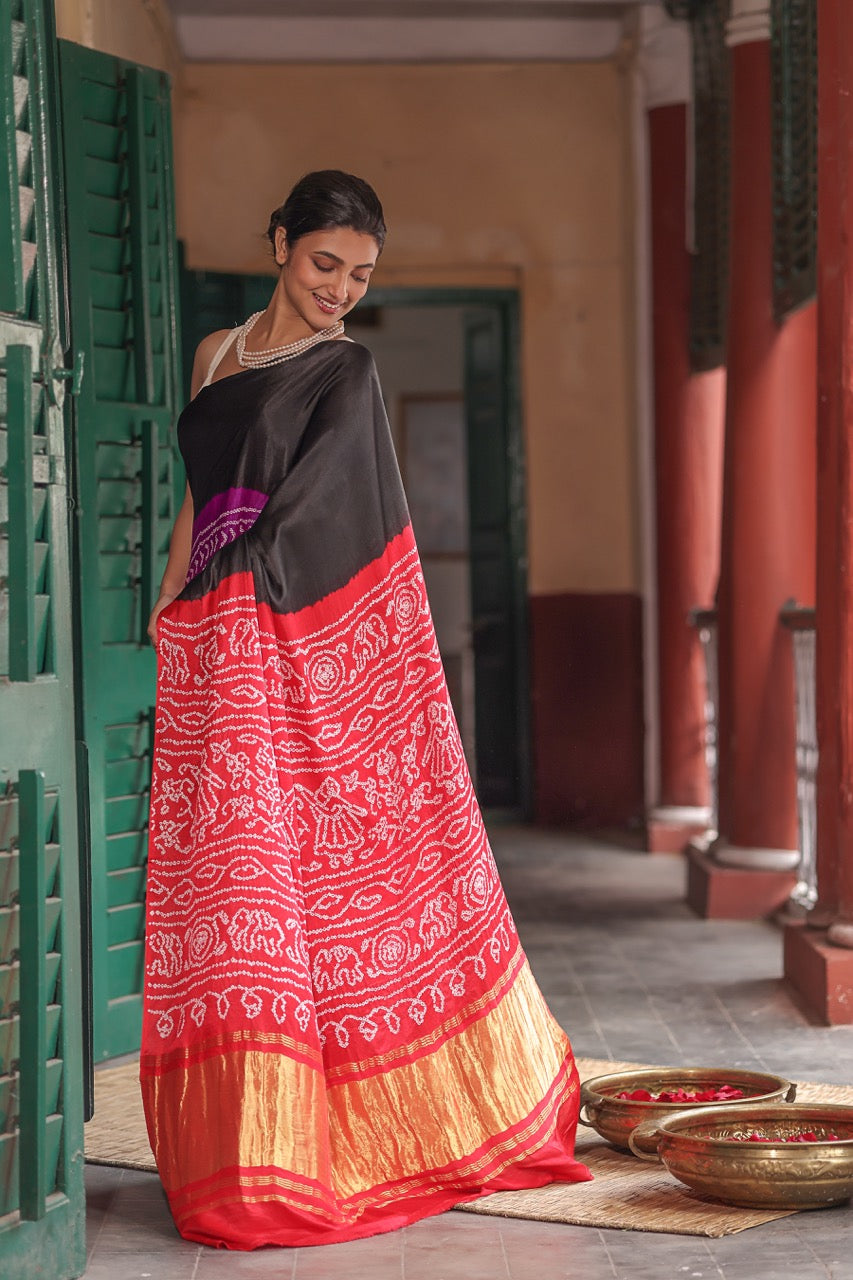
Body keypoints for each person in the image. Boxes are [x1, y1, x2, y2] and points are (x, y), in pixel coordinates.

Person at [141, 169, 590, 1250]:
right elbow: (200, 496)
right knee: (228, 880)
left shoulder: (346, 371)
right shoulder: (214, 354)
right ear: (281, 244)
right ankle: (245, 1136)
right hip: (208, 641)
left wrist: (225, 595)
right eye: (324, 263)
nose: (340, 288)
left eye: (361, 274)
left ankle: (339, 1129)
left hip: (277, 643)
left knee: (292, 865)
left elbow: (322, 516)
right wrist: (166, 601)